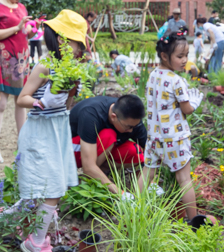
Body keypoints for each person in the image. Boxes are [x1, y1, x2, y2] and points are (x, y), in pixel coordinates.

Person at [15, 10, 89, 252]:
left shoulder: (70, 70)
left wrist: (72, 90)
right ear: (62, 41)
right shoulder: (45, 65)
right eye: (78, 43)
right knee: (53, 186)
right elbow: (22, 99)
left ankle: (37, 231)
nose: (80, 50)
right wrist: (40, 102)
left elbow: (66, 106)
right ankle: (35, 241)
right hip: (40, 132)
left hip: (58, 130)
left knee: (53, 184)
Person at [140, 29, 205, 219]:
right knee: (184, 179)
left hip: (154, 137)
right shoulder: (177, 81)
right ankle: (194, 223)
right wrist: (195, 102)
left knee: (147, 175)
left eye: (186, 55)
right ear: (164, 56)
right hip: (175, 139)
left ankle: (134, 214)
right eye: (180, 56)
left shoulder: (153, 75)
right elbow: (187, 109)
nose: (185, 60)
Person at [0, 0, 34, 164]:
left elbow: (25, 32)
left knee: (20, 102)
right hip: (5, 59)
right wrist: (17, 27)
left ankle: (22, 145)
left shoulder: (21, 7)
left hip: (22, 58)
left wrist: (31, 29)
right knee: (1, 103)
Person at [70, 94, 148, 194]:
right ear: (113, 117)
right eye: (128, 127)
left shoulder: (130, 119)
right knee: (109, 135)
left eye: (135, 126)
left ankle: (100, 174)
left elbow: (149, 151)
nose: (131, 131)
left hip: (97, 149)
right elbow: (88, 166)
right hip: (71, 151)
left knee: (135, 152)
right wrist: (121, 193)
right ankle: (89, 180)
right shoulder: (91, 114)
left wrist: (151, 182)